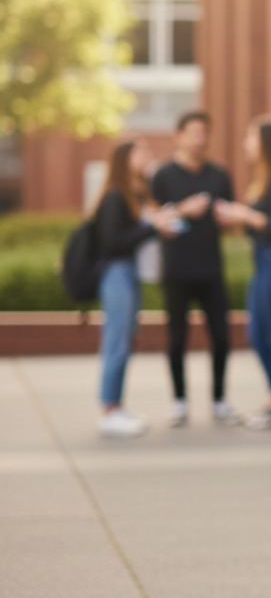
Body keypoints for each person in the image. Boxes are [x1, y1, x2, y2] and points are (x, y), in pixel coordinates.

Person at [214, 117, 271, 429]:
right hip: (264, 263)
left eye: (251, 137)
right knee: (257, 334)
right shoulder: (265, 178)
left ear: (267, 143)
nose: (246, 144)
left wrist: (245, 215)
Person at [151, 110, 238, 427]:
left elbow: (229, 221)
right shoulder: (162, 176)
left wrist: (226, 218)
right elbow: (154, 222)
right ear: (179, 136)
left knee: (222, 337)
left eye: (205, 133)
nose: (201, 139)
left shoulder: (219, 175)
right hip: (175, 269)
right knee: (177, 339)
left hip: (211, 268)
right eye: (194, 133)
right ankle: (179, 401)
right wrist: (182, 210)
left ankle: (219, 400)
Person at [94, 139, 178, 437]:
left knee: (125, 341)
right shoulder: (116, 196)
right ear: (124, 159)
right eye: (141, 151)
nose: (148, 155)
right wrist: (152, 228)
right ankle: (108, 410)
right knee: (117, 342)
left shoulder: (134, 193)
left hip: (128, 273)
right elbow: (112, 242)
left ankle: (117, 405)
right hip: (117, 273)